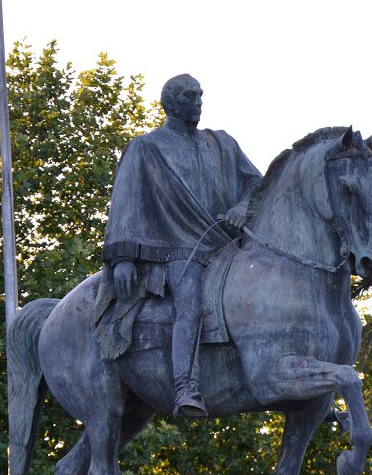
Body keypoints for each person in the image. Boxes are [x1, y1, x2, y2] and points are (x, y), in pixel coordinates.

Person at [101, 74, 261, 418]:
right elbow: (126, 203)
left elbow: (257, 184)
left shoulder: (221, 144)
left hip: (226, 243)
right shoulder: (146, 147)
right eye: (191, 95)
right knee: (189, 302)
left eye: (201, 94)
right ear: (171, 102)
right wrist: (124, 258)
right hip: (177, 247)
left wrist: (243, 206)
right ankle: (186, 387)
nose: (199, 101)